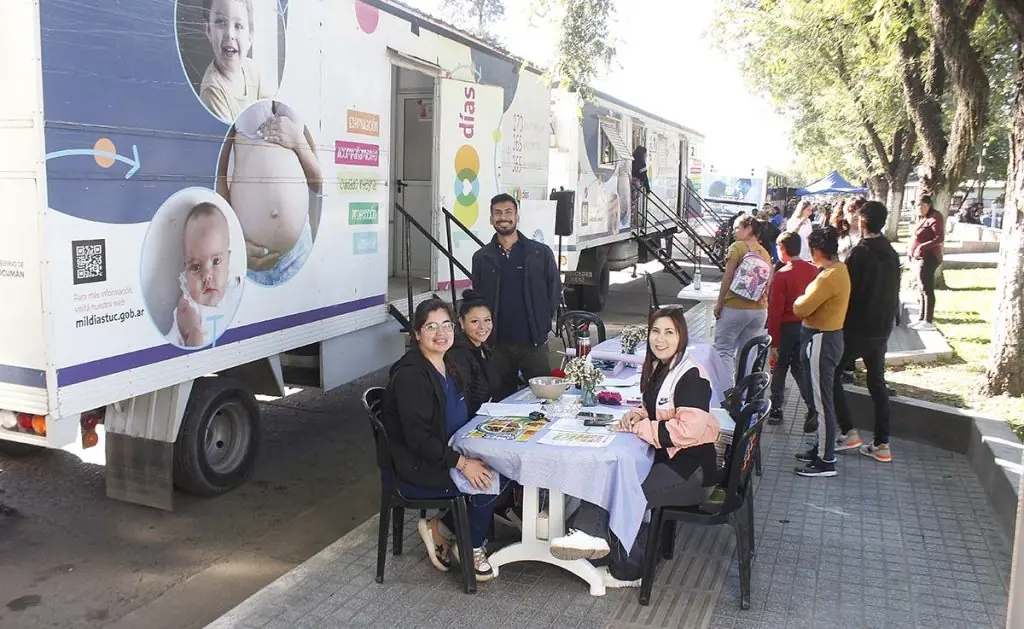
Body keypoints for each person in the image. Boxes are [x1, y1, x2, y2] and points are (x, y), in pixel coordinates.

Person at [547, 309, 720, 587]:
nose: (660, 339)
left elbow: (688, 430)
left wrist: (640, 428)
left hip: (693, 471)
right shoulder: (665, 367)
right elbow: (658, 406)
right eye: (656, 331)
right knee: (619, 476)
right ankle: (592, 535)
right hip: (674, 461)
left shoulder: (691, 376)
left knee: (624, 491)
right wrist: (637, 414)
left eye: (669, 332)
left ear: (682, 337)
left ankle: (627, 570)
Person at [381, 298, 501, 581]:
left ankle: (442, 528)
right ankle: (470, 546)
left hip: (447, 451)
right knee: (490, 477)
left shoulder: (448, 362)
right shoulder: (412, 376)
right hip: (418, 465)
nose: (441, 333)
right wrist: (463, 464)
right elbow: (419, 440)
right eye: (431, 327)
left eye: (446, 325)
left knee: (504, 464)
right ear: (417, 333)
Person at [217, 100, 323, 285]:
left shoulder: (300, 93)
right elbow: (218, 173)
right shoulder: (238, 95)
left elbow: (318, 183)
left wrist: (298, 140)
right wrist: (232, 240)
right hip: (251, 254)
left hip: (298, 253)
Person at [471, 194, 561, 400]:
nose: (503, 217)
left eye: (508, 212)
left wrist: (542, 323)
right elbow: (478, 299)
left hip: (534, 344)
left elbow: (554, 292)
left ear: (517, 217)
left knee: (544, 399)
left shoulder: (540, 253)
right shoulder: (482, 258)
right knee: (501, 401)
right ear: (491, 219)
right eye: (498, 213)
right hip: (498, 346)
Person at [832, 201, 901, 463]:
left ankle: (848, 431)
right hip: (881, 330)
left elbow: (847, 292)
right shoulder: (891, 253)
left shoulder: (859, 253)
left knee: (831, 375)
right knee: (877, 383)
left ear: (862, 221)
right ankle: (882, 443)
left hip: (857, 327)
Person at [792, 227, 850, 477]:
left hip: (822, 339)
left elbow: (801, 308)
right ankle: (821, 449)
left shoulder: (828, 277)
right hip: (826, 337)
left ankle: (827, 460)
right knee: (821, 398)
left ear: (816, 251)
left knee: (821, 401)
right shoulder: (838, 270)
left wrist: (800, 299)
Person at [167, 203, 241, 347]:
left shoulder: (232, 289)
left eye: (216, 261)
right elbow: (191, 331)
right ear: (186, 271)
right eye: (196, 267)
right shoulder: (188, 304)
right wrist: (194, 333)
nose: (207, 275)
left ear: (228, 261)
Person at [766, 231, 819, 427]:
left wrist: (773, 340)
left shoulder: (782, 275)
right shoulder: (814, 271)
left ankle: (776, 408)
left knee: (780, 367)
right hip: (806, 326)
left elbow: (775, 310)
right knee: (799, 367)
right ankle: (812, 406)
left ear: (782, 249)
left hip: (786, 327)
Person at [713, 215, 772, 387]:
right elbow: (768, 283)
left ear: (748, 228)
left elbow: (728, 276)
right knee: (748, 353)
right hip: (759, 310)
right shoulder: (764, 252)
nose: (733, 231)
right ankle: (744, 393)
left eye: (737, 227)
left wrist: (720, 302)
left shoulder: (737, 247)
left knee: (724, 350)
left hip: (735, 307)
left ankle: (726, 391)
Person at [199, 0, 271, 122]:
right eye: (220, 22)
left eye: (238, 26)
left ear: (250, 36)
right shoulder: (212, 91)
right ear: (208, 30)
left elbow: (270, 110)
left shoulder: (253, 70)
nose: (230, 34)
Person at [450, 289, 500, 414]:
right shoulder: (459, 355)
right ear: (461, 322)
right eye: (475, 321)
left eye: (487, 320)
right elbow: (466, 402)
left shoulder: (484, 348)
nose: (482, 327)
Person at [835, 196, 867, 383]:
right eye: (851, 211)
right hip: (838, 287)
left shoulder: (868, 237)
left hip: (858, 289)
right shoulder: (838, 235)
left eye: (858, 211)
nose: (854, 215)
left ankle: (848, 366)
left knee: (852, 329)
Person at [908, 194, 945, 327]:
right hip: (918, 258)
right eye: (917, 205)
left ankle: (928, 320)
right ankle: (921, 318)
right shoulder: (922, 218)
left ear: (929, 205)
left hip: (929, 257)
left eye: (922, 205)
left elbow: (939, 238)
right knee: (921, 288)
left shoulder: (935, 217)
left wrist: (922, 247)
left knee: (926, 287)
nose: (919, 208)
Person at [835, 197, 866, 262]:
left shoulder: (872, 236)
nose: (856, 215)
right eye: (852, 211)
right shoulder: (837, 235)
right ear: (845, 215)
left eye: (860, 212)